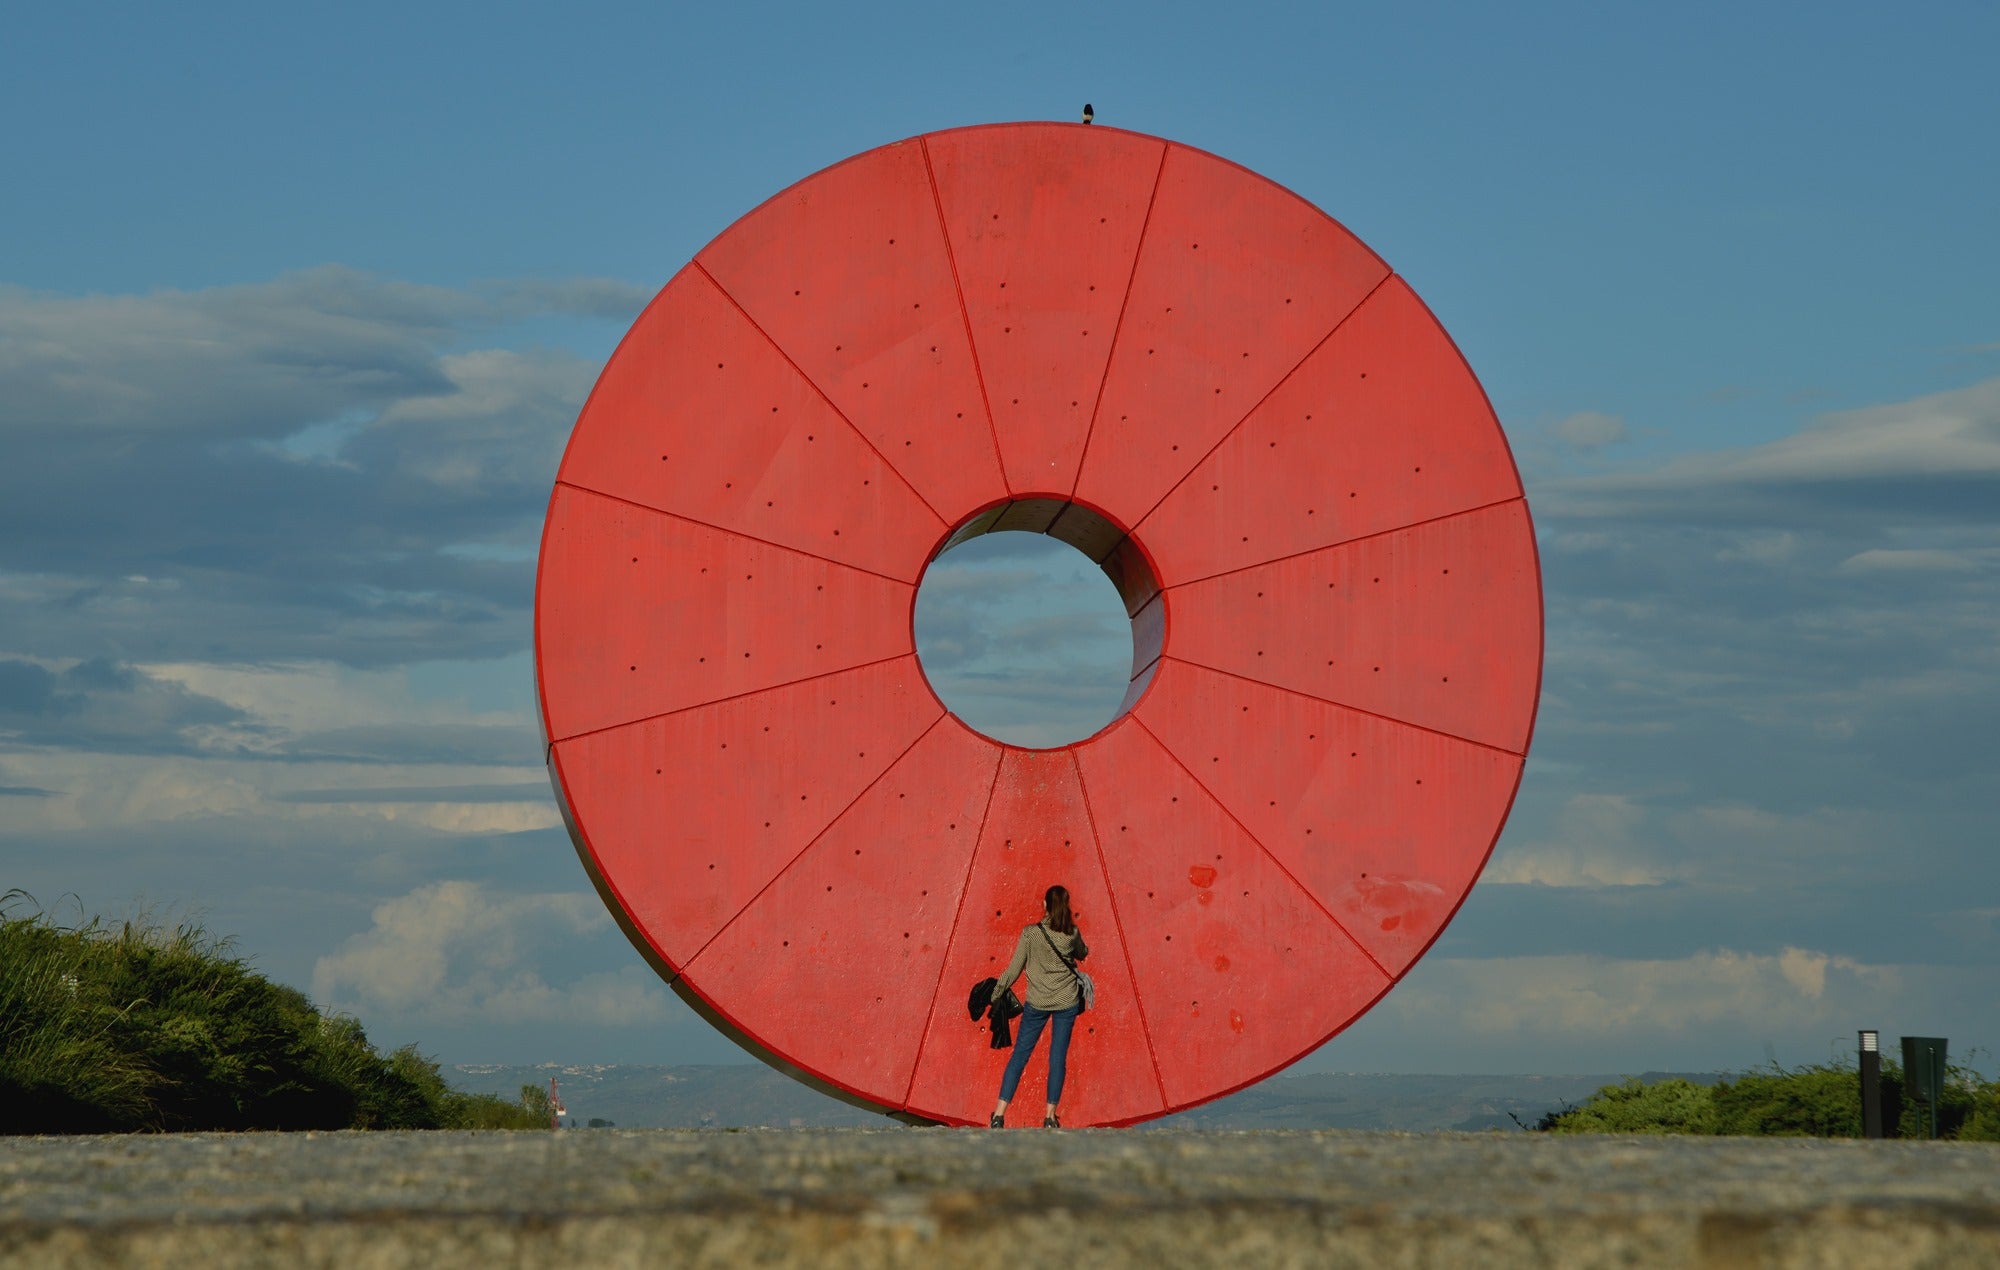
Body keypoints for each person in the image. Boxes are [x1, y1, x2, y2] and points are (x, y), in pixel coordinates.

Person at [988, 884, 1089, 1128]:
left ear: (1044, 905)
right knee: (1057, 1058)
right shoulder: (1071, 933)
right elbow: (1083, 953)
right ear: (1066, 906)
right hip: (1066, 1002)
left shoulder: (1030, 934)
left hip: (1037, 1002)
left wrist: (996, 993)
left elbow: (1014, 970)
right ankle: (1049, 1117)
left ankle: (999, 1115)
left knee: (1020, 1055)